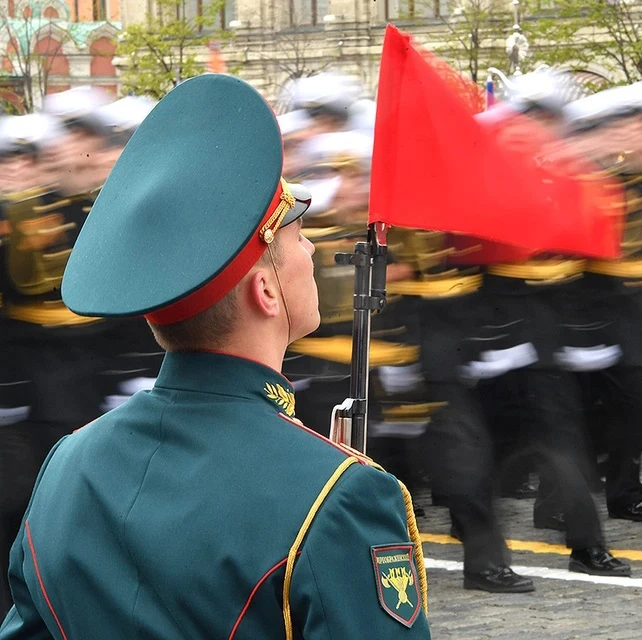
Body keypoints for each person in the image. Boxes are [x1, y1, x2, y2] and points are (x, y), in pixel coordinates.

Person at [1, 75, 430, 638]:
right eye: (295, 233)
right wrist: (331, 484)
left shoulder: (67, 465)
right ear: (266, 291)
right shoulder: (344, 495)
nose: (312, 249)